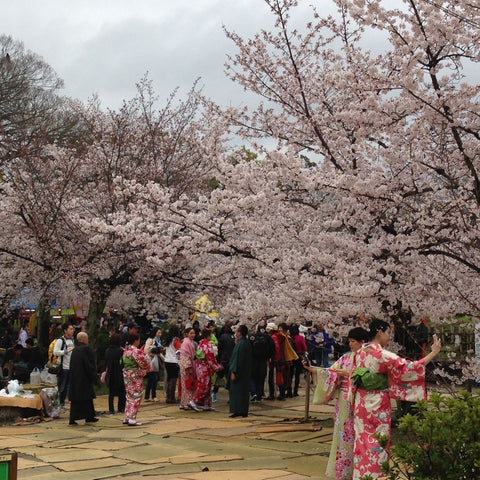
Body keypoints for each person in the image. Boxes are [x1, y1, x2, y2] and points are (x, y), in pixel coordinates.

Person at [352, 319, 442, 480]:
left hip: (361, 403)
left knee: (362, 442)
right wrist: (433, 353)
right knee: (378, 444)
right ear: (379, 332)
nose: (389, 337)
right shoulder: (382, 354)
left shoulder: (360, 351)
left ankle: (361, 476)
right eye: (388, 333)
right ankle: (375, 476)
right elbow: (409, 368)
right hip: (377, 404)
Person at [304, 327, 368, 480]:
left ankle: (360, 471)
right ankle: (343, 471)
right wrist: (311, 368)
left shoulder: (369, 358)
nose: (350, 344)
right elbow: (330, 372)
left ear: (362, 342)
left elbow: (372, 379)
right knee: (342, 435)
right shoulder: (346, 358)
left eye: (353, 341)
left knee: (360, 435)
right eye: (350, 341)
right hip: (344, 401)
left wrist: (350, 374)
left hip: (360, 400)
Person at [68, 332, 98, 425]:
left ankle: (75, 418)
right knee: (86, 397)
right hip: (84, 377)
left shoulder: (75, 350)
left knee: (77, 400)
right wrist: (93, 375)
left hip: (75, 377)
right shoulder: (86, 349)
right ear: (84, 339)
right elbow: (89, 364)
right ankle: (88, 416)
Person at [190, 329, 223, 412]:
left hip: (200, 366)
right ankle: (193, 401)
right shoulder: (207, 345)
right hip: (204, 367)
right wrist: (217, 367)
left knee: (208, 385)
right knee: (204, 385)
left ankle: (207, 404)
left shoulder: (201, 344)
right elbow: (210, 358)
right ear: (208, 335)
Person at [122, 332, 151, 426]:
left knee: (129, 396)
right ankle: (132, 418)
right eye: (138, 340)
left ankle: (127, 416)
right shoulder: (136, 351)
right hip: (134, 375)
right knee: (136, 396)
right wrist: (147, 355)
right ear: (136, 340)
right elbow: (145, 362)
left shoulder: (126, 350)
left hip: (127, 375)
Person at [228, 324, 252, 417]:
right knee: (243, 392)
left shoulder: (241, 344)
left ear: (240, 333)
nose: (236, 333)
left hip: (239, 372)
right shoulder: (246, 342)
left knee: (237, 392)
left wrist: (234, 371)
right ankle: (242, 410)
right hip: (245, 372)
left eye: (237, 331)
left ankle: (238, 410)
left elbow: (237, 359)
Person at [250, 322, 275, 401]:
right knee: (261, 378)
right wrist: (269, 357)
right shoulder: (267, 337)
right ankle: (260, 395)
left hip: (254, 360)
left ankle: (254, 393)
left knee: (254, 377)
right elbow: (273, 348)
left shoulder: (252, 337)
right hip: (264, 360)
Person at [53, 322, 75, 409]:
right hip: (63, 368)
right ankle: (60, 404)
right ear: (65, 330)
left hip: (71, 367)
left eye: (73, 329)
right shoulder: (60, 340)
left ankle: (64, 403)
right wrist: (66, 351)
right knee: (62, 387)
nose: (72, 330)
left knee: (68, 387)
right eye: (70, 329)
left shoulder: (72, 340)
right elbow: (55, 352)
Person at [104, 333, 126, 415]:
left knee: (111, 393)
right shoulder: (121, 351)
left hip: (110, 372)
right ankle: (121, 408)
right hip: (119, 373)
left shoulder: (107, 351)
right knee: (121, 392)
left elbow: (106, 361)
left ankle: (111, 409)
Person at [179, 326, 197, 410]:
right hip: (187, 366)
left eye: (193, 333)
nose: (193, 335)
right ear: (186, 334)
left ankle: (184, 403)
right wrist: (189, 367)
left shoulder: (189, 342)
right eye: (191, 333)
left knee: (186, 385)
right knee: (187, 385)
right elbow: (185, 355)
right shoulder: (186, 343)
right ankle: (187, 402)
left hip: (188, 365)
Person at [143, 327, 163, 402]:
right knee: (154, 378)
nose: (160, 334)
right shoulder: (150, 340)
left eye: (161, 333)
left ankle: (147, 396)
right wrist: (152, 353)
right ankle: (153, 396)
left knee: (151, 379)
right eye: (158, 332)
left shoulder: (158, 341)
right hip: (150, 361)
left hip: (154, 361)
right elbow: (145, 350)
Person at [163, 325, 182, 404]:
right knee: (173, 379)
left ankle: (168, 397)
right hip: (174, 361)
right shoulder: (176, 340)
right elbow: (179, 350)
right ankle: (172, 397)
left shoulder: (168, 340)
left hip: (167, 360)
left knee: (169, 379)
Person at [289, 324, 308, 397]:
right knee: (297, 375)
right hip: (299, 357)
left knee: (290, 374)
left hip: (290, 357)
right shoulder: (301, 338)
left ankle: (289, 391)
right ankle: (295, 391)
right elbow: (304, 347)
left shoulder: (289, 338)